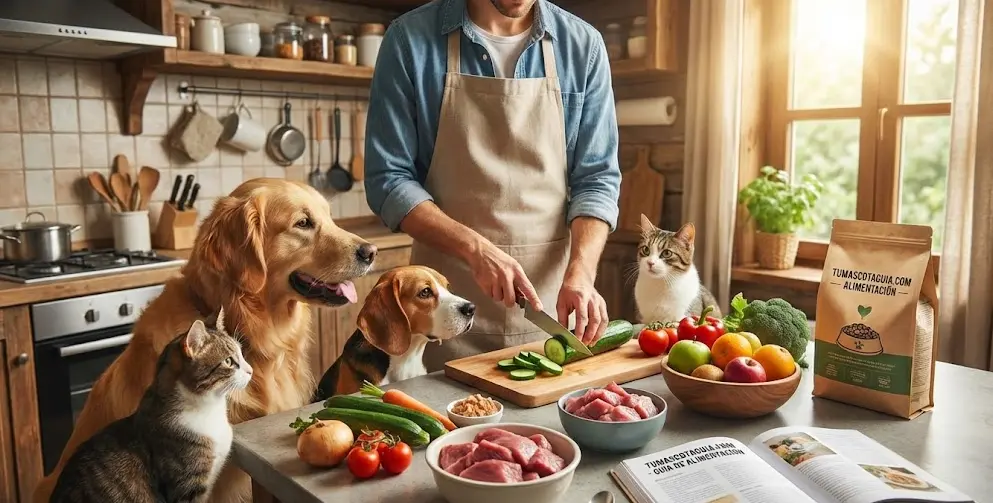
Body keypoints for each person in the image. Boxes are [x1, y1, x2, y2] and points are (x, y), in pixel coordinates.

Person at [364, 0, 621, 371]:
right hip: (443, 312)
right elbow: (388, 179)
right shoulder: (409, 40)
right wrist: (475, 250)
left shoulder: (583, 47)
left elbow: (597, 179)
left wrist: (581, 272)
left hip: (548, 311)